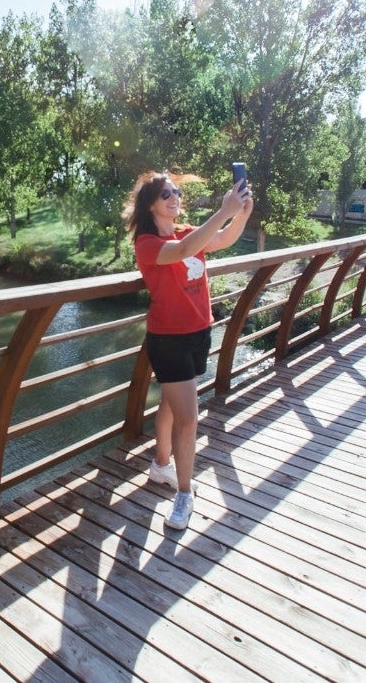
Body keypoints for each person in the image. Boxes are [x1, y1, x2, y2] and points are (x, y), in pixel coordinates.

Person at [126, 170, 253, 530]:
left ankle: (160, 464)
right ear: (150, 203)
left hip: (199, 330)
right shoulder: (148, 245)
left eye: (176, 192)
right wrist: (224, 209)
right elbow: (182, 252)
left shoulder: (186, 231)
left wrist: (241, 211)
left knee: (172, 402)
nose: (174, 197)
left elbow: (224, 239)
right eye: (166, 194)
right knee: (189, 418)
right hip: (169, 338)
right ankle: (184, 493)